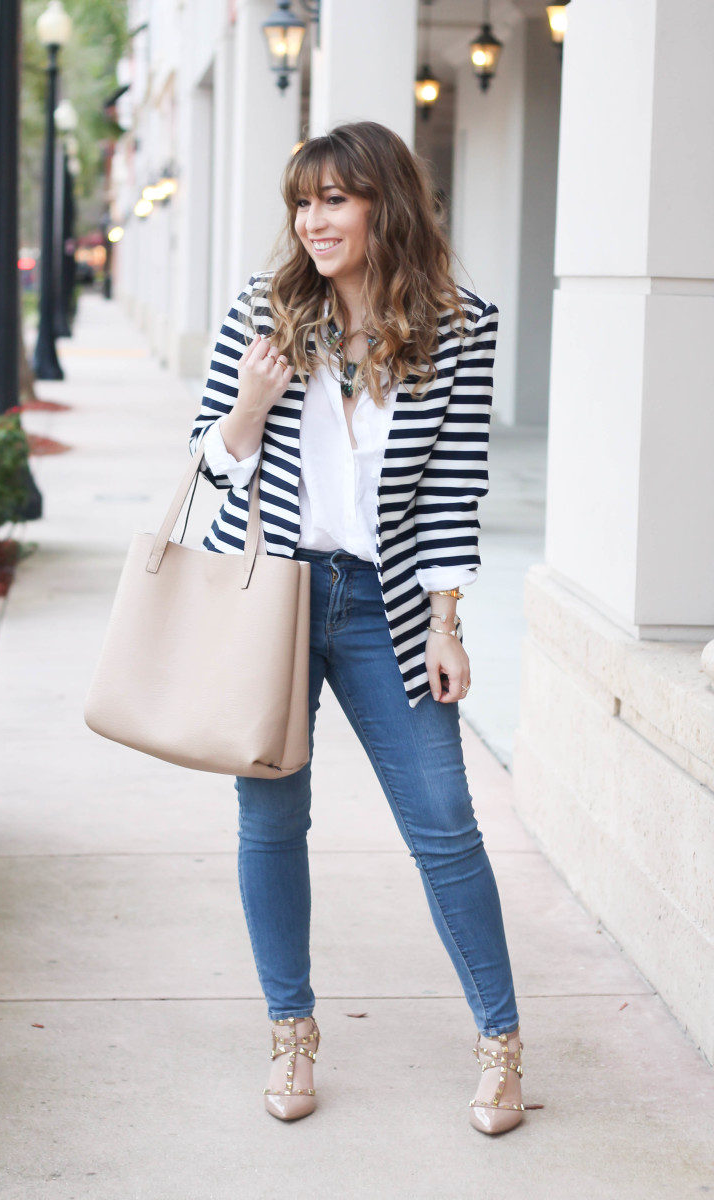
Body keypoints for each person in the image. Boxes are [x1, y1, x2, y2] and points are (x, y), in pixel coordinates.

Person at [188, 121, 525, 1135]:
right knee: (270, 821)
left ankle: (500, 1047)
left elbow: (452, 491)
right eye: (303, 201)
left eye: (334, 198)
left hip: (385, 605)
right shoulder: (268, 309)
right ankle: (290, 1037)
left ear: (384, 203)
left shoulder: (458, 325)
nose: (313, 220)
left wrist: (445, 622)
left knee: (444, 828)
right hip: (280, 596)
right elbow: (208, 468)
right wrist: (249, 406)